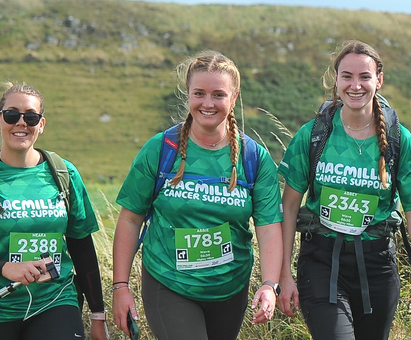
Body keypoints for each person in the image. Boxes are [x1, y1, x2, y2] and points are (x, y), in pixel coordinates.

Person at [109, 51, 283, 340]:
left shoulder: (254, 157)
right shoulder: (161, 149)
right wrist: (120, 286)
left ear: (234, 97)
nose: (208, 103)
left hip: (230, 286)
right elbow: (129, 220)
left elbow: (267, 227)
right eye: (199, 93)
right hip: (169, 282)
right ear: (187, 93)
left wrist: (269, 284)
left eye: (218, 94)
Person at [275, 40, 411, 340]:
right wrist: (283, 275)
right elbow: (288, 208)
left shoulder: (399, 139)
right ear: (335, 80)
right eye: (347, 76)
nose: (356, 85)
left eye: (365, 76)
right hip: (321, 262)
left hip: (378, 267)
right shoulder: (313, 135)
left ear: (379, 80)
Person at [0, 82, 108, 340]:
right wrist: (4, 268)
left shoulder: (64, 173)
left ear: (42, 124)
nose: (21, 123)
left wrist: (98, 314)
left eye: (31, 117)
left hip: (55, 300)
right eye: (12, 115)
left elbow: (81, 246)